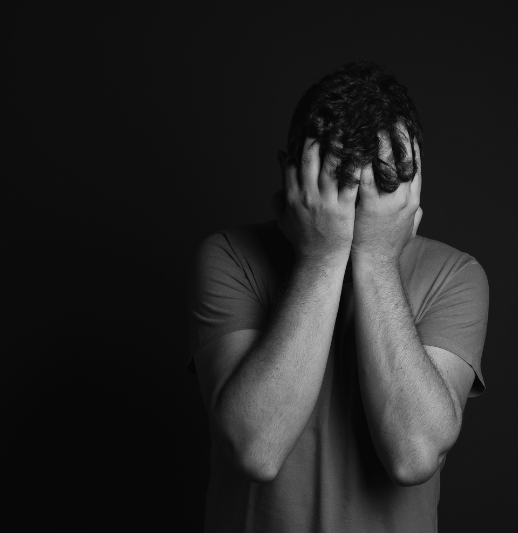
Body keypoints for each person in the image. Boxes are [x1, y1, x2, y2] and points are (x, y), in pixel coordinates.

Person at [187, 61, 490, 532]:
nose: (353, 207)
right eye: (339, 184)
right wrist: (322, 256)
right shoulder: (229, 257)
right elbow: (255, 448)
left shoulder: (455, 275)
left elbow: (413, 454)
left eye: (378, 186)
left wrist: (376, 259)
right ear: (292, 179)